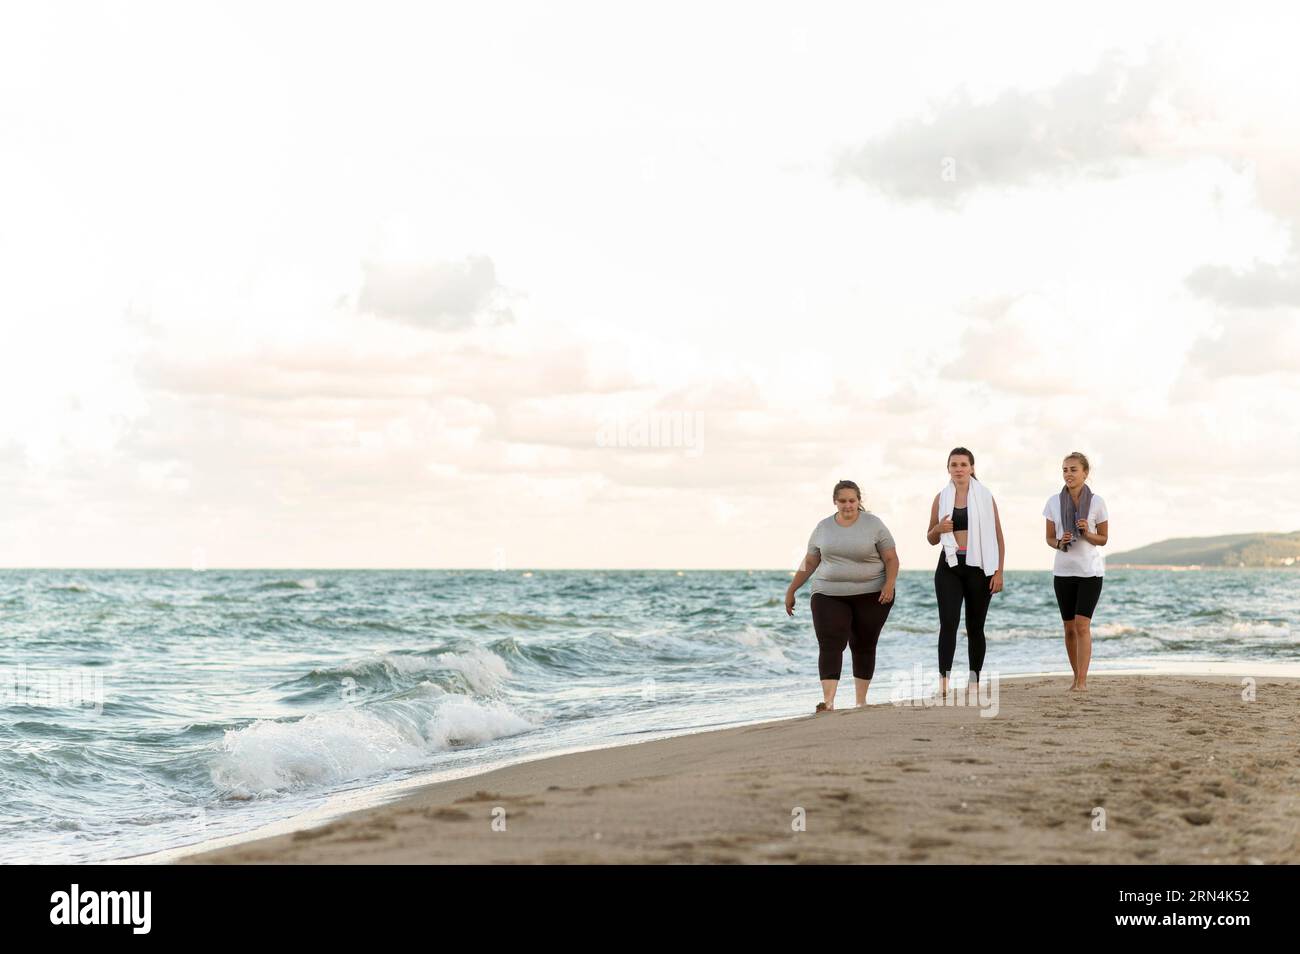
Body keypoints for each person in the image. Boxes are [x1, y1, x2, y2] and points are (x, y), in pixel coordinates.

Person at [785, 479, 899, 712]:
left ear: (859, 501)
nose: (848, 505)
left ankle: (861, 701)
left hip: (872, 593)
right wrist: (792, 589)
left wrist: (889, 584)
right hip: (828, 592)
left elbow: (891, 558)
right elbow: (810, 561)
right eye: (843, 501)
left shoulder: (874, 524)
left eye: (852, 501)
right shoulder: (823, 527)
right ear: (835, 502)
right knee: (830, 643)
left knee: (864, 644)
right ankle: (828, 702)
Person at [925, 447, 1005, 699]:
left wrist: (999, 571)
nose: (958, 469)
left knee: (975, 626)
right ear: (948, 468)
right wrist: (939, 528)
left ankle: (974, 682)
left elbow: (998, 537)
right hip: (949, 565)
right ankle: (944, 683)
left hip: (979, 568)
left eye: (963, 464)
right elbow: (930, 538)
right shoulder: (941, 497)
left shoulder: (985, 496)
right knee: (948, 623)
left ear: (971, 468)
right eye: (954, 464)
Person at [1043, 451, 1109, 691]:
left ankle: (1082, 681)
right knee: (1069, 627)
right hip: (1063, 572)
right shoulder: (1052, 502)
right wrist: (1060, 542)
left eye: (1073, 469)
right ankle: (1075, 676)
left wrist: (1087, 532)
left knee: (1082, 625)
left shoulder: (1097, 503)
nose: (1068, 474)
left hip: (1089, 572)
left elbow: (1103, 539)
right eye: (1064, 470)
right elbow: (1049, 538)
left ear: (1085, 473)